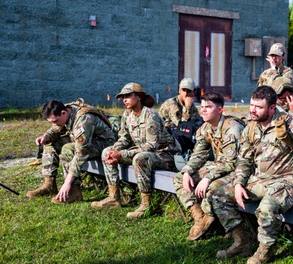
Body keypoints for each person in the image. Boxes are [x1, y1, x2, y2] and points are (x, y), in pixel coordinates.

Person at [208, 85, 293, 264]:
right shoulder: (250, 128)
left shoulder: (289, 124)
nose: (253, 110)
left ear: (272, 108)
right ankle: (242, 242)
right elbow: (244, 161)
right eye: (251, 105)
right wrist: (239, 184)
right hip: (259, 180)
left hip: (286, 181)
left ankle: (265, 250)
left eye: (259, 107)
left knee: (267, 206)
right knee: (217, 194)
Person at [93, 82, 179, 218]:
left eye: (128, 96)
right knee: (106, 152)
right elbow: (124, 138)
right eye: (123, 97)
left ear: (138, 97)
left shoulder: (151, 115)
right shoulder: (127, 115)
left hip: (166, 155)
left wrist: (122, 154)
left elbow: (152, 146)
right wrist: (114, 151)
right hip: (146, 153)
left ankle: (146, 205)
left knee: (140, 158)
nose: (124, 100)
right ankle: (114, 197)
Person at [173, 92, 244, 240]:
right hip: (221, 165)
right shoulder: (205, 128)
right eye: (202, 106)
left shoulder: (232, 128)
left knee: (213, 187)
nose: (203, 110)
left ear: (219, 110)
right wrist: (187, 171)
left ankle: (232, 230)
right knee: (179, 178)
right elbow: (199, 154)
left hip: (239, 169)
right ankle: (199, 217)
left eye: (208, 107)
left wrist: (207, 177)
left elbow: (232, 163)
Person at [27, 100, 116, 203]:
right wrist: (46, 136)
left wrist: (67, 182)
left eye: (55, 121)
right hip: (86, 140)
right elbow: (56, 128)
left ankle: (74, 191)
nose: (54, 124)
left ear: (63, 113)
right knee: (50, 143)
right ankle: (49, 185)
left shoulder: (84, 120)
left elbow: (81, 153)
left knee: (68, 148)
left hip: (104, 143)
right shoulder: (65, 110)